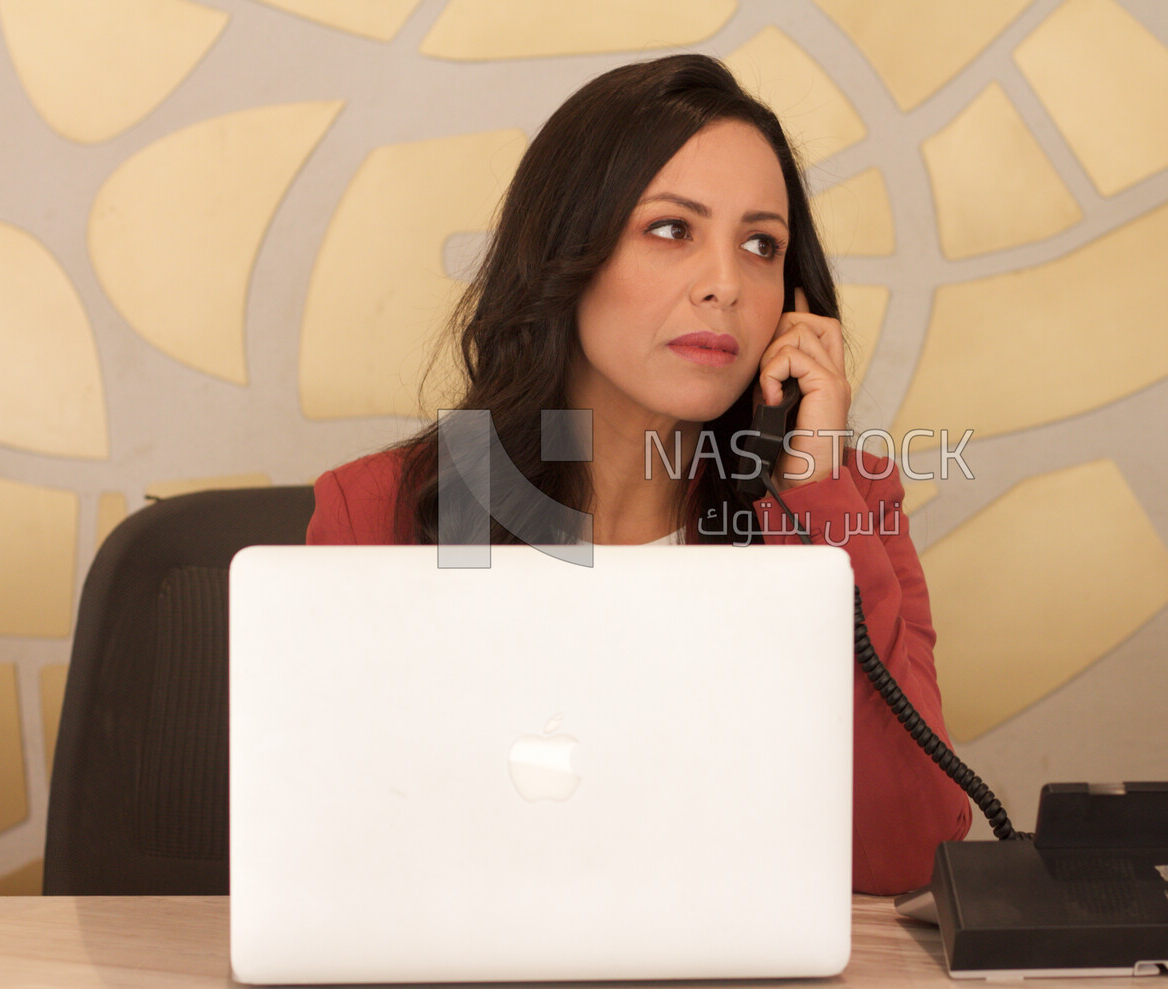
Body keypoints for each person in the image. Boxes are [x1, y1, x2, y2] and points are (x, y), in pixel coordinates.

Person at [306, 53, 972, 895]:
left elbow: (903, 851)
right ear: (566, 254)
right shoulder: (382, 509)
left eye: (761, 245)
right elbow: (338, 853)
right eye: (671, 230)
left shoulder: (841, 502)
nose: (726, 287)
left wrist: (809, 493)